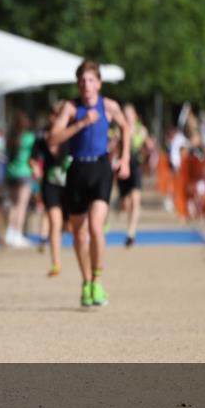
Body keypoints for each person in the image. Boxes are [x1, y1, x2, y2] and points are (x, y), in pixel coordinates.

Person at [49, 60, 130, 308]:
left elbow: (126, 127)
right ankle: (85, 282)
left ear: (99, 83)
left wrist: (125, 159)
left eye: (91, 80)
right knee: (78, 232)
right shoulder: (71, 109)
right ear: (78, 84)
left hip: (100, 167)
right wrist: (81, 124)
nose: (87, 85)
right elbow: (53, 137)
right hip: (77, 170)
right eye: (82, 81)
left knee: (95, 227)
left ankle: (97, 280)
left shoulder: (109, 105)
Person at [34, 101, 70, 276]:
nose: (55, 118)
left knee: (70, 226)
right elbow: (33, 157)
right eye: (54, 114)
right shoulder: (42, 136)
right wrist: (34, 167)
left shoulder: (72, 134)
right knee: (55, 222)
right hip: (50, 183)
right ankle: (56, 263)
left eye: (59, 115)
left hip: (71, 184)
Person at [115, 103, 151, 246]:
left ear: (135, 116)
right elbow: (113, 148)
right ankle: (124, 209)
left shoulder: (141, 130)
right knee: (126, 203)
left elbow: (147, 147)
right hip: (123, 167)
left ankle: (131, 233)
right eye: (125, 114)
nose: (128, 117)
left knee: (136, 200)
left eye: (130, 114)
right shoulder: (119, 130)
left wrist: (148, 148)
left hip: (135, 167)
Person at [4, 111, 36, 248]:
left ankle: (10, 233)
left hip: (10, 172)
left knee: (13, 204)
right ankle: (17, 233)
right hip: (24, 172)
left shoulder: (10, 138)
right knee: (21, 206)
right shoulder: (29, 137)